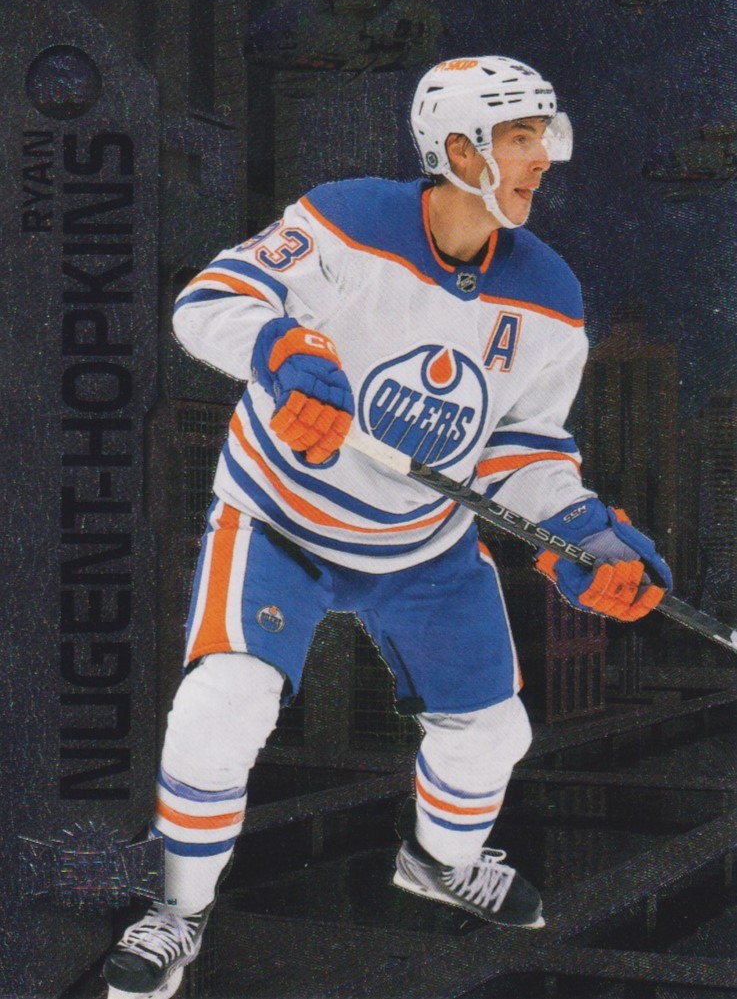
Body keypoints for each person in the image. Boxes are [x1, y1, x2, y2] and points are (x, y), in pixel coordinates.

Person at [103, 55, 671, 999]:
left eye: (543, 136)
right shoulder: (345, 220)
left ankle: (440, 862)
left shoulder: (551, 295)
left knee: (492, 732)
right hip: (280, 517)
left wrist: (584, 535)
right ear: (459, 149)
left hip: (424, 545)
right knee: (221, 704)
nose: (542, 159)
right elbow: (209, 302)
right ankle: (177, 910)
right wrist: (280, 348)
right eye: (520, 138)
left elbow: (521, 452)